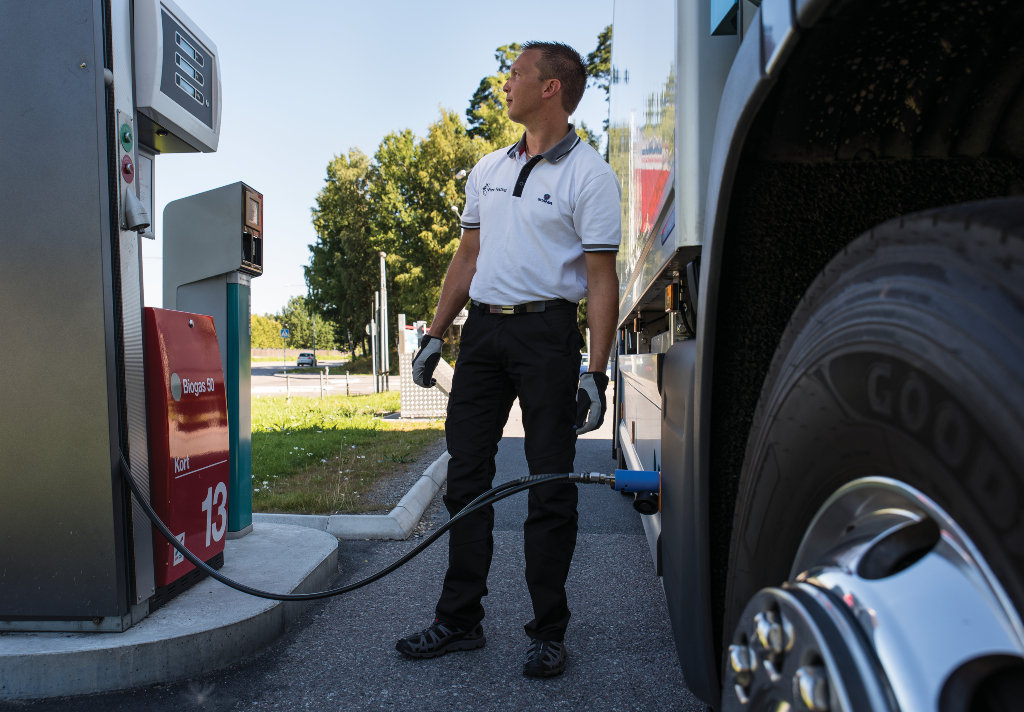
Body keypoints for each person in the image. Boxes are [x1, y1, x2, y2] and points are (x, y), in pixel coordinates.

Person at [396, 41, 621, 678]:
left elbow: (600, 279)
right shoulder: (488, 168)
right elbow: (467, 257)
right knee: (466, 476)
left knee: (549, 484)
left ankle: (548, 631)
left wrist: (595, 372)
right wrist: (436, 333)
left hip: (548, 334)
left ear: (551, 88)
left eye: (517, 73)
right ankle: (459, 620)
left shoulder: (590, 175)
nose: (506, 82)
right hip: (483, 335)